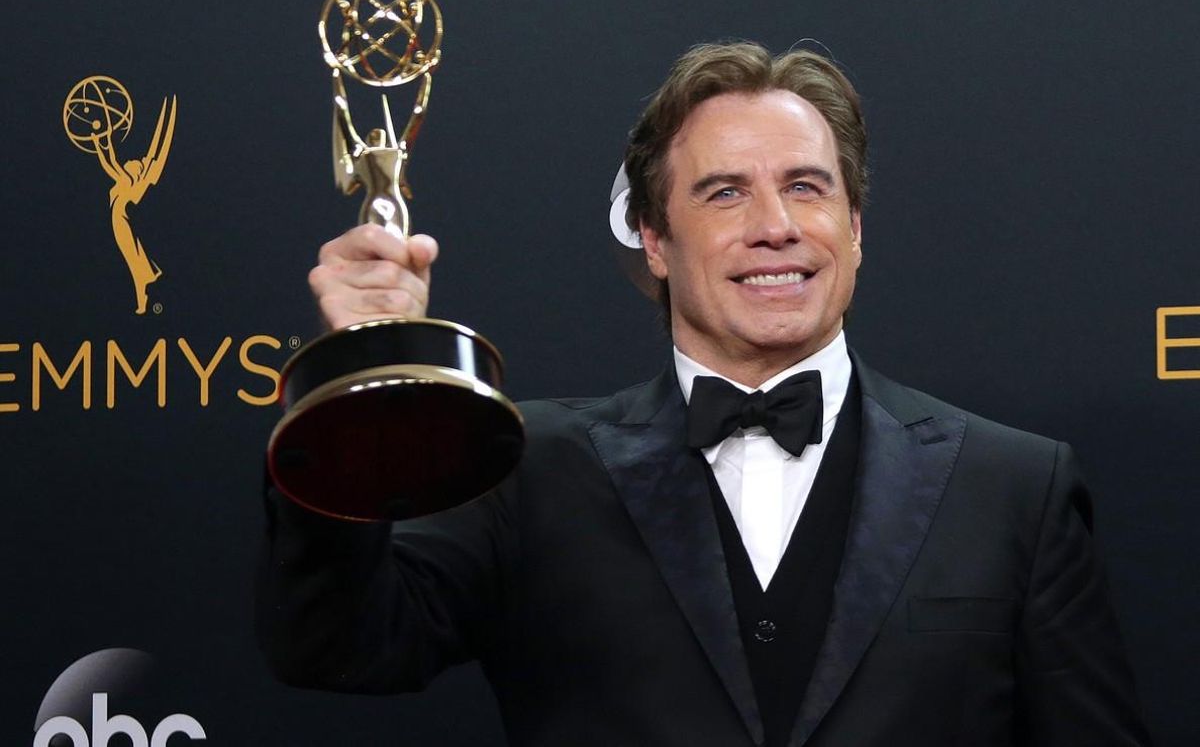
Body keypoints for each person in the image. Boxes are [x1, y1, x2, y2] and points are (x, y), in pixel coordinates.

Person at [257, 42, 1151, 746]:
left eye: (807, 187)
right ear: (653, 238)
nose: (776, 226)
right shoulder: (528, 470)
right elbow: (336, 644)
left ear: (855, 226)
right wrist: (359, 378)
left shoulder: (1013, 488)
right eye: (725, 194)